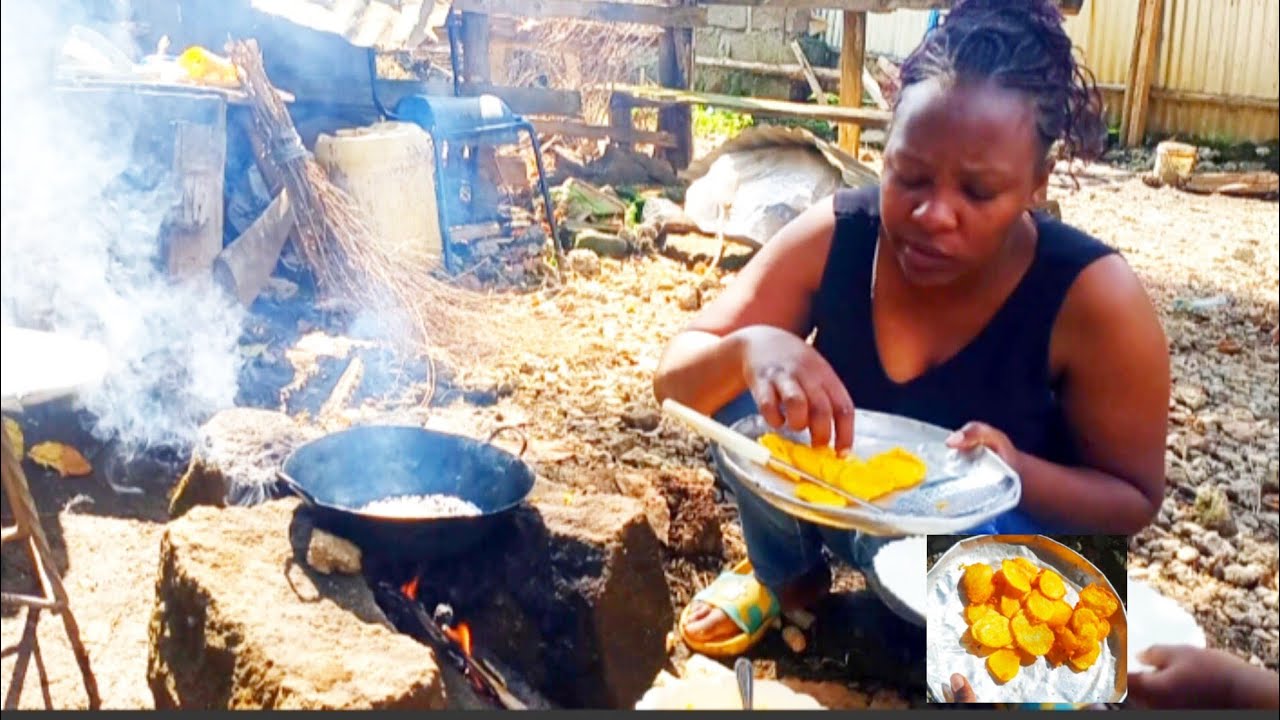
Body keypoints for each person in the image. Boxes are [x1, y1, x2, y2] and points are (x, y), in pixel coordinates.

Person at [652, 0, 1170, 658]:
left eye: (978, 193)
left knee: (1062, 663)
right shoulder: (837, 236)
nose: (933, 214)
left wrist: (1018, 472)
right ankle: (788, 582)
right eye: (910, 175)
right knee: (734, 398)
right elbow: (674, 379)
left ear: (1038, 183)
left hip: (992, 545)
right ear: (883, 149)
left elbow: (1133, 497)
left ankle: (976, 651)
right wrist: (753, 348)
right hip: (845, 514)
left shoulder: (1092, 297)